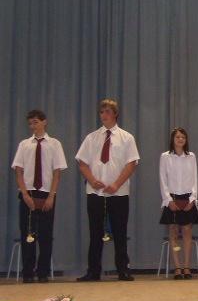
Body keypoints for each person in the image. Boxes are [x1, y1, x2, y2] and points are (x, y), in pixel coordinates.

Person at [76, 99, 140, 281]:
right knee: (95, 232)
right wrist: (92, 180)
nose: (103, 115)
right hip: (95, 193)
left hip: (118, 193)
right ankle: (93, 271)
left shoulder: (126, 138)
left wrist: (116, 184)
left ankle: (123, 269)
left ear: (115, 114)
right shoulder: (92, 138)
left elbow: (131, 164)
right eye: (101, 112)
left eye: (107, 111)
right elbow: (82, 163)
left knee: (120, 232)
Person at [11, 110, 67, 283]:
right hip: (28, 193)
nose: (32, 126)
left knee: (45, 235)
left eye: (35, 122)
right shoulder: (24, 144)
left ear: (44, 122)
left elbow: (57, 173)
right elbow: (19, 172)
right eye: (30, 123)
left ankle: (43, 272)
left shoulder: (54, 144)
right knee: (28, 234)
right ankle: (28, 272)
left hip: (46, 193)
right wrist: (24, 194)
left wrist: (51, 196)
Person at [159, 127, 198, 280]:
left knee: (187, 231)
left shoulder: (191, 156)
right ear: (173, 139)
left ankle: (187, 267)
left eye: (183, 137)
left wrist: (193, 199)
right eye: (177, 137)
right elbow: (162, 180)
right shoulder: (165, 157)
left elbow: (195, 179)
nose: (180, 139)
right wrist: (168, 200)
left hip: (187, 198)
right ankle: (177, 267)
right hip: (172, 198)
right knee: (173, 232)